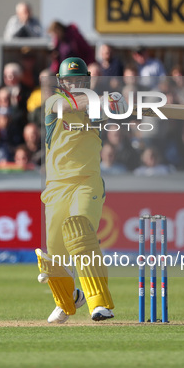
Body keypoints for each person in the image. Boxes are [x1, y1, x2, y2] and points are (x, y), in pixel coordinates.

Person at [38, 57, 115, 323]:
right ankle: (69, 299)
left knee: (80, 231)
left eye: (79, 80)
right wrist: (108, 101)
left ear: (87, 80)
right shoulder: (53, 102)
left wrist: (120, 106)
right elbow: (69, 105)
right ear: (61, 83)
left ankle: (99, 304)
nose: (74, 84)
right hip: (56, 186)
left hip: (87, 181)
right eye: (70, 80)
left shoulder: (95, 105)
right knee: (53, 253)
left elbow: (107, 115)